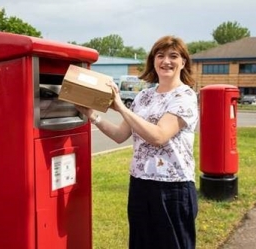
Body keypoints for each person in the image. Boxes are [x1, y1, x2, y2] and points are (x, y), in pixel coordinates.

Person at [76, 35, 198, 249]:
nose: (166, 61)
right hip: (141, 183)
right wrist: (92, 115)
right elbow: (119, 134)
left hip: (173, 187)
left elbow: (159, 136)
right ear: (153, 61)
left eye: (173, 56)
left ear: (183, 62)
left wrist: (121, 107)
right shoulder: (143, 97)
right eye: (160, 56)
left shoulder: (185, 96)